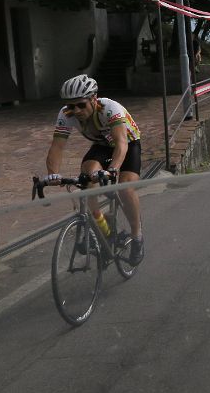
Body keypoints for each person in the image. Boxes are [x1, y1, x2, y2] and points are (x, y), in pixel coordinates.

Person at [45, 74, 145, 265]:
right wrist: (53, 174)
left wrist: (113, 169)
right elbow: (57, 146)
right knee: (87, 175)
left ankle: (137, 236)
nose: (76, 110)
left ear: (93, 98)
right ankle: (103, 228)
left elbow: (121, 144)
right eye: (71, 106)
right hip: (101, 144)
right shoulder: (66, 114)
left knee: (125, 187)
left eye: (81, 105)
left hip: (128, 144)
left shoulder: (109, 108)